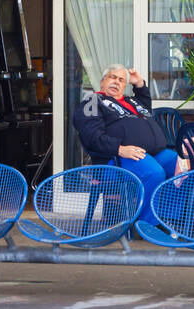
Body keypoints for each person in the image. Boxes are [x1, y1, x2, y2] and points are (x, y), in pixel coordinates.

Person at [72, 64, 177, 225]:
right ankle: (148, 224)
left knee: (178, 166)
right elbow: (91, 136)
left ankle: (167, 218)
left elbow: (145, 107)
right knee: (154, 172)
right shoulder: (92, 102)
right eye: (112, 77)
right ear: (102, 82)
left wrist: (140, 84)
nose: (116, 82)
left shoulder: (131, 102)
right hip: (115, 159)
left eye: (121, 80)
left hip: (151, 154)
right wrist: (119, 149)